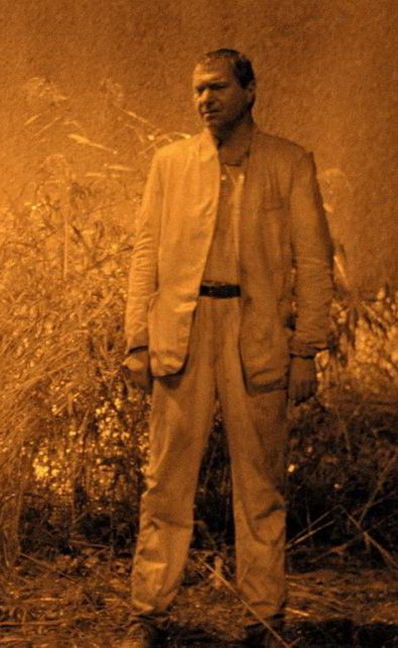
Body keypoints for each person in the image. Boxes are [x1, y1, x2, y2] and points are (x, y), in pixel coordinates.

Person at [119, 49, 334, 647]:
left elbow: (313, 260)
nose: (204, 100)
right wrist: (138, 340)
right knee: (166, 483)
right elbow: (145, 252)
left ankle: (263, 618)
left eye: (216, 88)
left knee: (261, 486)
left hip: (256, 333)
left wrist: (306, 349)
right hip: (181, 333)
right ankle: (149, 613)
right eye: (197, 90)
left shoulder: (288, 162)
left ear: (249, 90)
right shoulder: (171, 163)